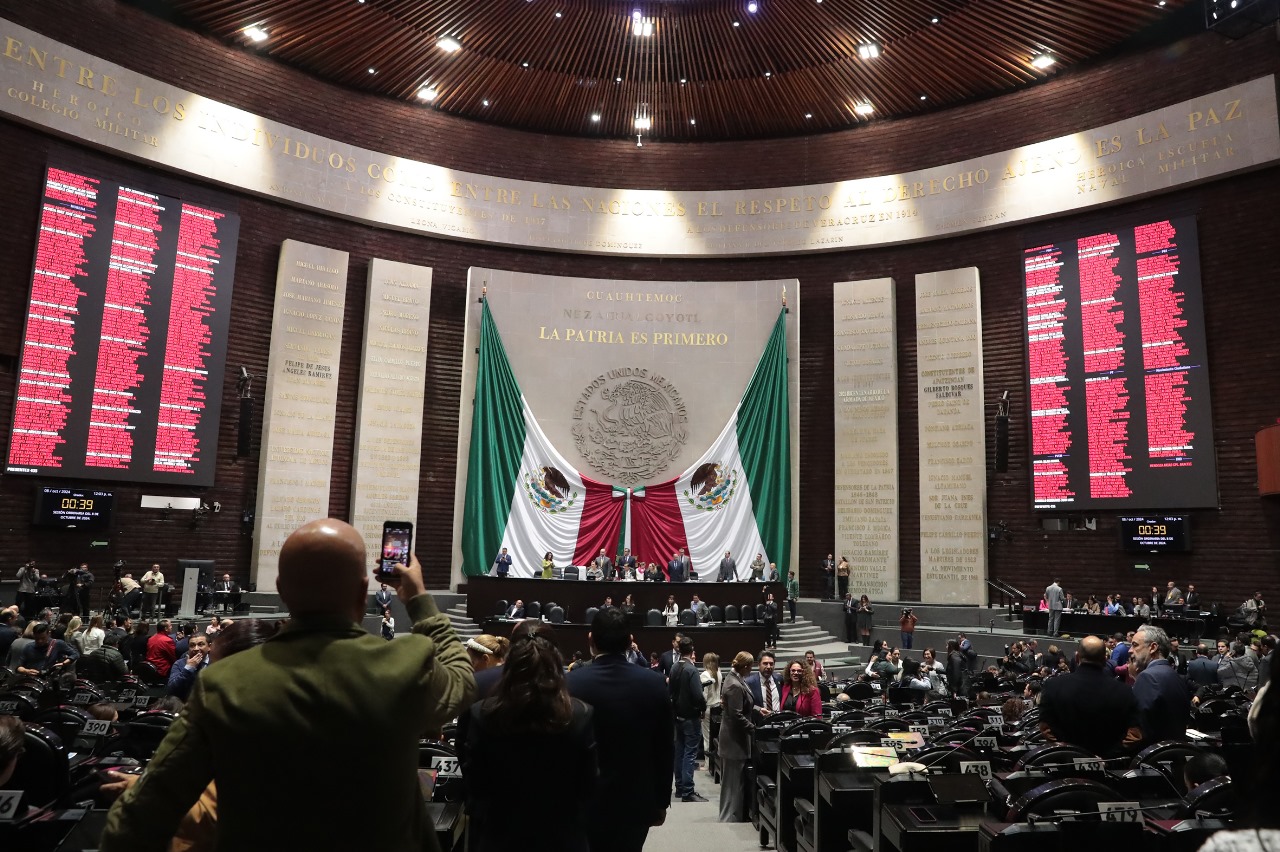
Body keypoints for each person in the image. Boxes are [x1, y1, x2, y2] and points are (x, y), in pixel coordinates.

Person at [99, 518, 475, 852]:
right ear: (364, 591)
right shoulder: (406, 664)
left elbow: (148, 809)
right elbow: (461, 676)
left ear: (281, 589)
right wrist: (419, 600)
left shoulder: (223, 682)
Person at [566, 607, 673, 852]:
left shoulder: (569, 684)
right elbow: (664, 748)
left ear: (591, 640)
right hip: (635, 802)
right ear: (629, 642)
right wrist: (661, 801)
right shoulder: (654, 684)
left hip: (582, 801)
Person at [1038, 635, 1141, 756]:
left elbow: (1045, 727)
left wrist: (1067, 752)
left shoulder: (1053, 685)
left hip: (1065, 762)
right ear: (1105, 660)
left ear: (1077, 657)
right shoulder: (1125, 691)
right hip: (1109, 764)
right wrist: (1108, 756)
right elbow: (1135, 734)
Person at [1131, 625, 1189, 747]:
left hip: (1150, 753)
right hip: (1174, 751)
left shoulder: (1148, 677)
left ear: (1152, 648)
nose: (1130, 650)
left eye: (1135, 645)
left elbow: (1137, 732)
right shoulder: (1175, 676)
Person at [666, 636, 707, 802]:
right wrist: (703, 708)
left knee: (680, 752)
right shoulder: (691, 669)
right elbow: (698, 695)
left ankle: (679, 787)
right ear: (692, 650)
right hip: (691, 717)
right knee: (690, 753)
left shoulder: (674, 667)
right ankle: (688, 791)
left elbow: (670, 692)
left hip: (677, 716)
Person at [718, 651, 755, 822]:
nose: (752, 669)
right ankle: (728, 818)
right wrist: (753, 729)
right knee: (732, 782)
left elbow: (741, 705)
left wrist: (757, 709)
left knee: (735, 781)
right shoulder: (734, 684)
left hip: (735, 738)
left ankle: (734, 815)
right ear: (745, 666)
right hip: (734, 740)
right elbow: (736, 715)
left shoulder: (735, 678)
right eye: (751, 666)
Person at [165, 632, 211, 701]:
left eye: (200, 644)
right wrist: (188, 668)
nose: (196, 649)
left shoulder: (217, 662)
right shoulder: (179, 664)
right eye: (192, 645)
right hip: (185, 703)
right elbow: (171, 690)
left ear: (209, 647)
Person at [700, 652, 723, 766]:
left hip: (708, 708)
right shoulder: (719, 672)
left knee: (707, 737)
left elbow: (704, 695)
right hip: (718, 707)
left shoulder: (705, 675)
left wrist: (701, 710)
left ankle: (708, 764)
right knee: (715, 736)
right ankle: (714, 763)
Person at [745, 650, 781, 716]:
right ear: (759, 665)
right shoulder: (749, 682)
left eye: (771, 664)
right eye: (765, 663)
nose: (768, 667)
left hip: (778, 720)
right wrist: (757, 709)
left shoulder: (779, 679)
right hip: (759, 720)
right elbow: (744, 704)